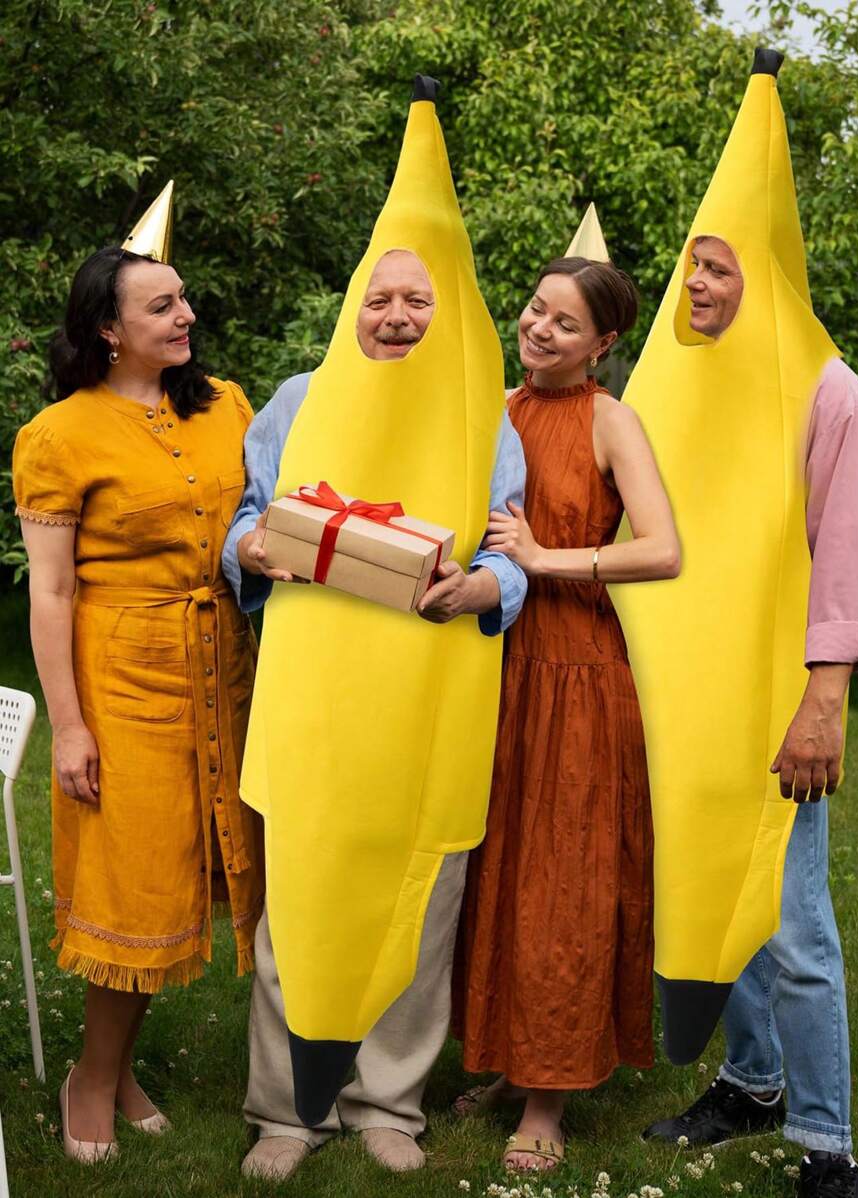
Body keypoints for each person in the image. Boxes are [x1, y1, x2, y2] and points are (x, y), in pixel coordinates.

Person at [223, 79, 528, 1182]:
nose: (396, 316)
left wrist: (486, 587)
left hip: (428, 697)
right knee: (305, 896)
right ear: (354, 305)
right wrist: (254, 547)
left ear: (448, 307)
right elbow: (248, 520)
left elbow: (510, 550)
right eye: (379, 298)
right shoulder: (297, 399)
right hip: (316, 695)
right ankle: (285, 1113)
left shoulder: (485, 414)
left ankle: (386, 1100)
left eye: (417, 300)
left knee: (417, 897)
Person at [12, 189, 264, 1164]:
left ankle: (115, 1070)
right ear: (108, 330)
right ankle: (91, 1076)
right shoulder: (57, 435)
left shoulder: (226, 406)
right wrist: (70, 727)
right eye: (162, 306)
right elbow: (50, 593)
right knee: (134, 885)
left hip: (220, 670)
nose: (186, 315)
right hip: (122, 678)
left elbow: (260, 522)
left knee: (178, 879)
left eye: (184, 299)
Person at [640, 233, 858, 1198]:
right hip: (691, 697)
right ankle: (753, 1082)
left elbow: (853, 555)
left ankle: (829, 1145)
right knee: (718, 900)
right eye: (691, 265)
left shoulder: (833, 396)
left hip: (780, 703)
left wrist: (823, 702)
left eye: (718, 267)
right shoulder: (696, 383)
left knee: (793, 925)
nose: (695, 282)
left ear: (771, 278)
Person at [451, 251, 681, 1172]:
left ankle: (547, 1098)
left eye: (565, 323)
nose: (540, 329)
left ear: (603, 342)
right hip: (491, 664)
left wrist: (548, 558)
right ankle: (510, 1060)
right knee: (497, 870)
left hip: (575, 673)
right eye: (535, 309)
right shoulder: (495, 407)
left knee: (562, 882)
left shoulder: (611, 420)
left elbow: (663, 550)